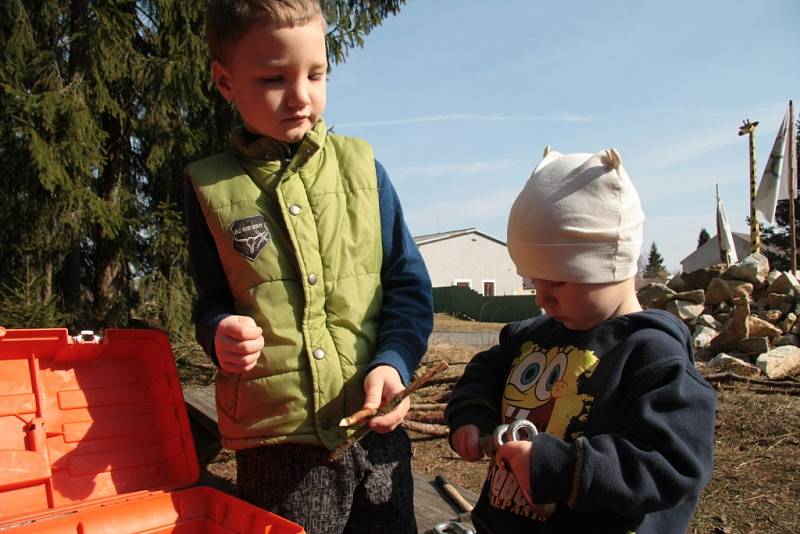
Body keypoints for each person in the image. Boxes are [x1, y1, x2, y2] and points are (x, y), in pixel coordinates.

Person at [183, 1, 433, 532]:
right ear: (225, 82)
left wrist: (393, 363)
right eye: (274, 78)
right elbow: (210, 301)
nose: (301, 96)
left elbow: (408, 288)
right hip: (280, 449)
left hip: (378, 434)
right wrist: (217, 332)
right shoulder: (209, 188)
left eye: (316, 74)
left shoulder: (365, 169)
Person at [445, 146, 716, 533]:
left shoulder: (651, 355)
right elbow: (484, 372)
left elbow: (674, 463)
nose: (541, 297)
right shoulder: (528, 338)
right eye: (532, 281)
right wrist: (471, 417)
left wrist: (560, 468)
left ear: (614, 262)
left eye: (557, 281)